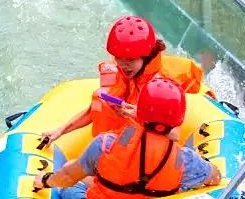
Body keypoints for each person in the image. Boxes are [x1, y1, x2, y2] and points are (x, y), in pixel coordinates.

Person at [33, 78, 222, 199]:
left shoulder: (106, 144)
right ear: (179, 119)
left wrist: (44, 180)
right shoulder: (184, 159)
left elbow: (66, 177)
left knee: (72, 180)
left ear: (141, 111)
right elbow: (215, 177)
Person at [41, 15, 209, 146]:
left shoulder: (160, 86)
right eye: (119, 59)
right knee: (101, 98)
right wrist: (60, 131)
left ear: (145, 56)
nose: (124, 65)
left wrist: (142, 115)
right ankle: (104, 156)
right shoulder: (123, 69)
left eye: (130, 60)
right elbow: (95, 108)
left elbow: (174, 134)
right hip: (126, 134)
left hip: (153, 144)